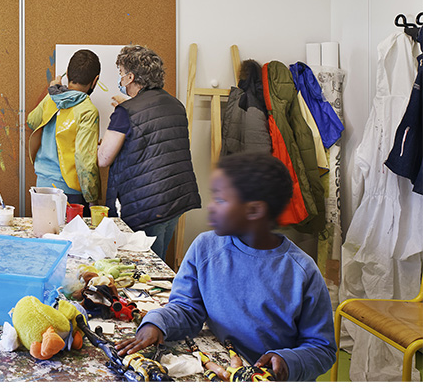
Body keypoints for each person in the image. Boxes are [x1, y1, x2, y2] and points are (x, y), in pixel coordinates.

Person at [116, 153, 337, 382]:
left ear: (254, 211)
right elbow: (188, 308)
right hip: (221, 368)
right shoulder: (205, 247)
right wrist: (158, 323)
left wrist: (289, 361)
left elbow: (322, 348)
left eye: (221, 200)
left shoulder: (301, 271)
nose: (211, 208)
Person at [97, 44, 200, 258]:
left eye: (121, 74)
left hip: (144, 203)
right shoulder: (175, 105)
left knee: (141, 266)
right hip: (174, 198)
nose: (121, 78)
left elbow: (103, 158)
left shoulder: (125, 112)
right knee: (158, 259)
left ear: (131, 77)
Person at [27, 49, 101, 207]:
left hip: (42, 186)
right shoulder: (87, 110)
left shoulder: (54, 98)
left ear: (67, 73)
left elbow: (31, 122)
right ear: (95, 80)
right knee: (71, 232)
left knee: (44, 232)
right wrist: (92, 199)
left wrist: (52, 94)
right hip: (70, 192)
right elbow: (85, 160)